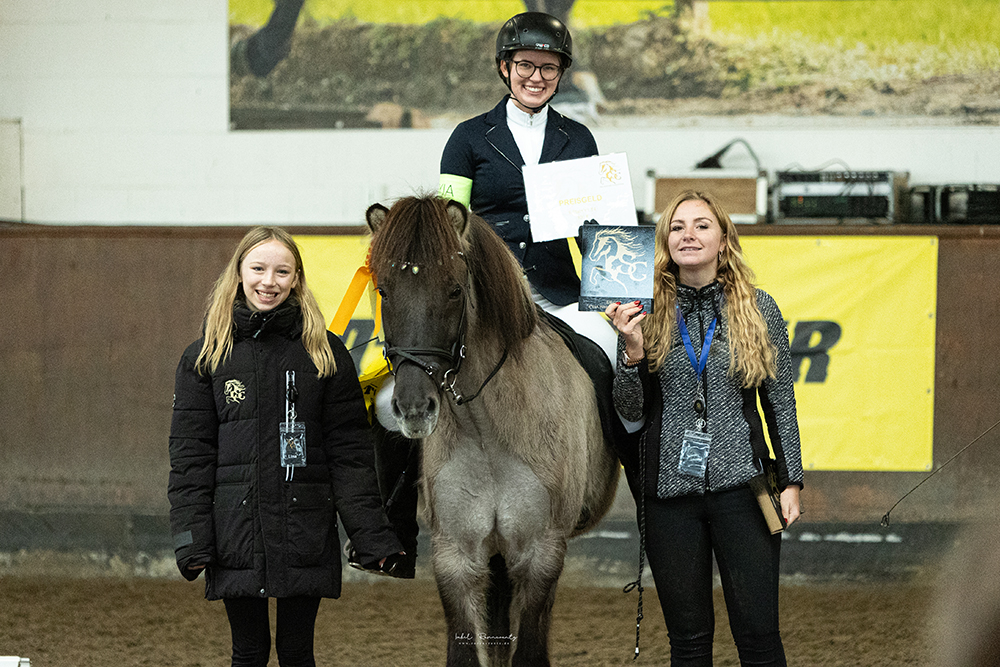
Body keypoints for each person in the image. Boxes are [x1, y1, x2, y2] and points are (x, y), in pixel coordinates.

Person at [167, 226, 405, 667]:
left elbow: (350, 455)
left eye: (282, 271)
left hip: (305, 529)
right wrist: (192, 538)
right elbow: (190, 458)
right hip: (234, 532)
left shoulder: (326, 353)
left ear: (296, 278)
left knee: (298, 652)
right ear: (238, 273)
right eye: (258, 268)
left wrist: (372, 536)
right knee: (249, 652)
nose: (268, 281)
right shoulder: (205, 356)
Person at [605, 191, 804, 666]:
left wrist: (791, 478)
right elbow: (629, 413)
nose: (688, 235)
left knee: (758, 636)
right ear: (665, 240)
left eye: (701, 225)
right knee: (689, 643)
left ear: (722, 239)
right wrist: (631, 354)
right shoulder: (640, 311)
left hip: (744, 491)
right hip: (668, 499)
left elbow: (781, 401)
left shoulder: (760, 309)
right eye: (677, 227)